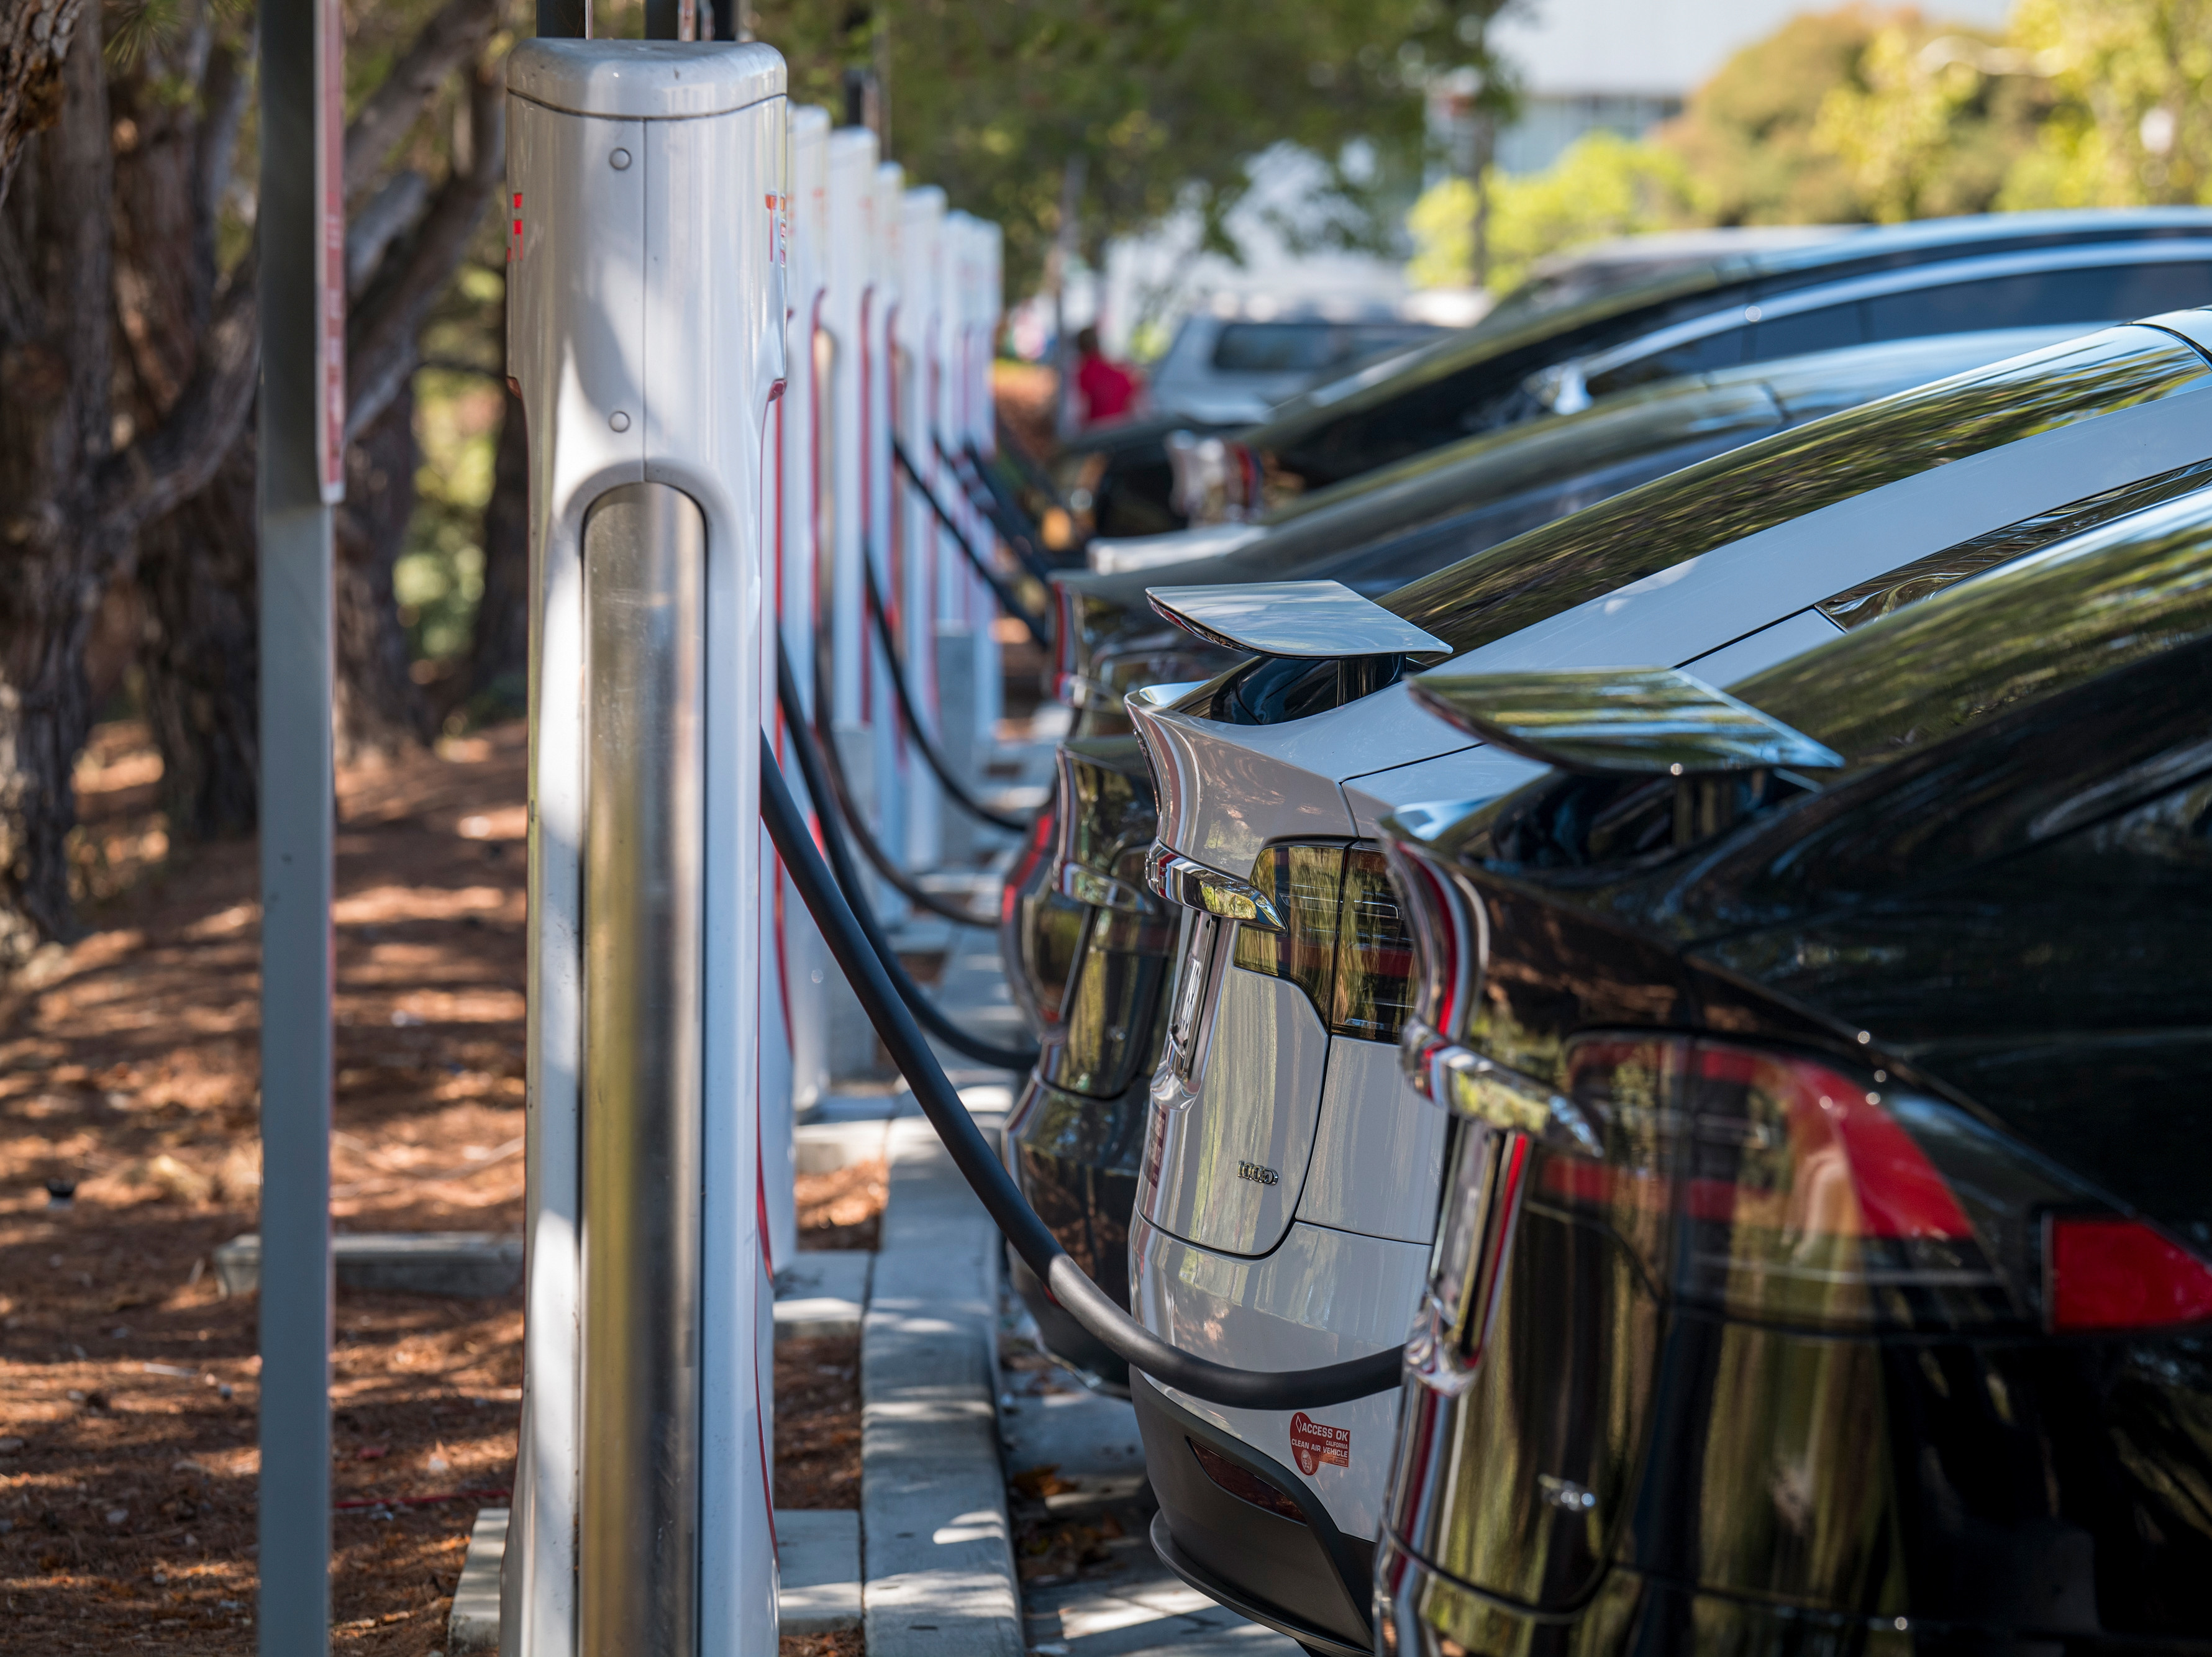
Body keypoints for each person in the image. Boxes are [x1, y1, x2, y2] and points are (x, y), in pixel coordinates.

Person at [1072, 325, 1139, 426]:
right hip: (1122, 432)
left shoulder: (1084, 373)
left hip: (1098, 434)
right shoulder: (1119, 371)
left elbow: (1080, 412)